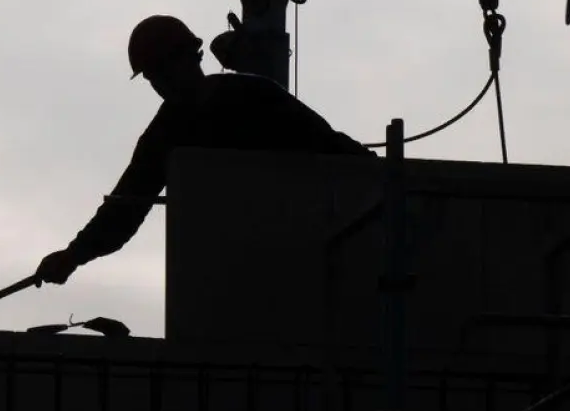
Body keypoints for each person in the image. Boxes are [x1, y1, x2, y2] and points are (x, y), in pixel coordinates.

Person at [35, 14, 375, 285]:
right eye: (153, 76)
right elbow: (126, 207)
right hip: (225, 269)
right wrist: (74, 255)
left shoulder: (254, 98)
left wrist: (382, 175)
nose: (160, 83)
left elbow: (327, 144)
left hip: (292, 251)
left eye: (162, 70)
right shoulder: (165, 134)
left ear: (189, 58)